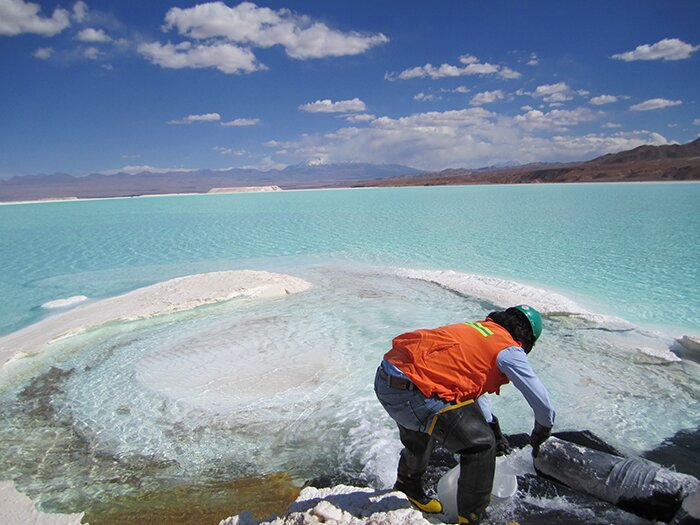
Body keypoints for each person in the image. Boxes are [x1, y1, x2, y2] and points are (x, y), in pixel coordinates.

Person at [374, 305, 555, 525]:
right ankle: (472, 518)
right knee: (480, 445)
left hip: (388, 379)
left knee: (422, 430)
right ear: (528, 340)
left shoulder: (479, 330)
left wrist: (491, 424)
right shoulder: (510, 350)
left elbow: (471, 383)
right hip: (410, 392)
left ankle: (407, 486)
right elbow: (543, 403)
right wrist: (541, 432)